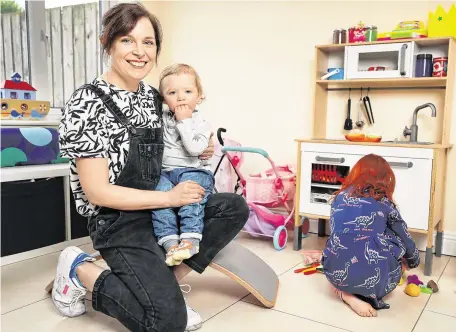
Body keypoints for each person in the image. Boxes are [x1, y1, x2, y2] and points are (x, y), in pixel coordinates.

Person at [52, 3, 249, 332]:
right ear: (107, 41)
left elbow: (183, 136)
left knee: (233, 207)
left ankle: (167, 282)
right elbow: (96, 191)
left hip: (160, 211)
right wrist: (170, 199)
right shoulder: (86, 102)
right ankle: (79, 270)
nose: (139, 52)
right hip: (118, 220)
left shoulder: (153, 97)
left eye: (148, 42)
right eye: (127, 41)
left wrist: (203, 147)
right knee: (168, 322)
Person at [321, 154, 420, 317]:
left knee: (341, 245)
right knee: (394, 234)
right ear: (386, 179)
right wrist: (413, 260)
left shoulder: (338, 198)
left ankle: (345, 293)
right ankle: (364, 292)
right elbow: (404, 235)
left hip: (335, 270)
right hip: (377, 280)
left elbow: (336, 233)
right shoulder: (384, 202)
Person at [152, 64, 214, 267]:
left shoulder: (200, 122)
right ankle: (170, 244)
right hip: (166, 173)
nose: (180, 97)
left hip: (194, 170)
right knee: (159, 200)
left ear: (199, 96)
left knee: (191, 198)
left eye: (188, 91)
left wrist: (184, 121)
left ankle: (190, 241)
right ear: (163, 99)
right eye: (172, 92)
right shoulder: (161, 119)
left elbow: (195, 149)